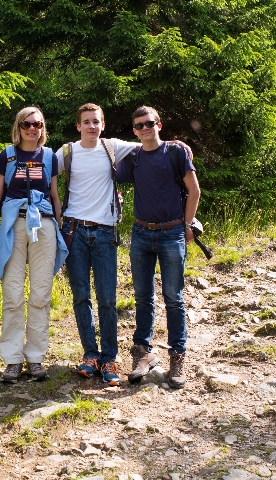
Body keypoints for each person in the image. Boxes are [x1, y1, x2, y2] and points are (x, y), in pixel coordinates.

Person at [116, 106, 200, 389]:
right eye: (139, 125)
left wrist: (188, 225)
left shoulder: (175, 154)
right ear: (134, 131)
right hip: (141, 233)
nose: (145, 128)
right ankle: (143, 353)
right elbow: (110, 171)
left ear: (159, 125)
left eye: (149, 123)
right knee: (142, 297)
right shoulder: (135, 158)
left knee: (173, 297)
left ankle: (177, 356)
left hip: (172, 233)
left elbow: (194, 190)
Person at [56, 104, 139, 387]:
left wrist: (173, 144)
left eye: (96, 121)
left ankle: (109, 357)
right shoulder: (66, 152)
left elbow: (147, 144)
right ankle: (90, 355)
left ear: (103, 124)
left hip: (105, 233)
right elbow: (44, 174)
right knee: (81, 296)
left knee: (107, 299)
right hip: (74, 231)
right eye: (86, 122)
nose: (91, 126)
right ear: (78, 126)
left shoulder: (112, 147)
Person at [0, 106, 68, 384]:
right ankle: (12, 359)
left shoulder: (48, 156)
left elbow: (55, 196)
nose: (33, 128)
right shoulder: (7, 156)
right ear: (18, 127)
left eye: (38, 124)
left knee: (41, 293)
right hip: (14, 226)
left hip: (43, 225)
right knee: (12, 293)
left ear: (43, 128)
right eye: (27, 124)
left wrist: (61, 229)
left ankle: (35, 357)